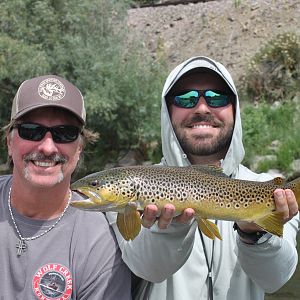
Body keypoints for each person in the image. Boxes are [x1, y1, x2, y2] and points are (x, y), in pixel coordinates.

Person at [106, 56, 300, 300]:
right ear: (168, 111)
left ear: (235, 109)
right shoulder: (134, 189)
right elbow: (148, 269)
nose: (201, 108)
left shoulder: (269, 190)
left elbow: (275, 280)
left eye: (216, 97)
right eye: (185, 98)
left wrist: (255, 233)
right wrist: (171, 227)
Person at [0, 75, 131, 299]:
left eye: (65, 133)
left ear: (79, 150)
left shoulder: (101, 241)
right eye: (31, 130)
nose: (48, 147)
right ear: (9, 143)